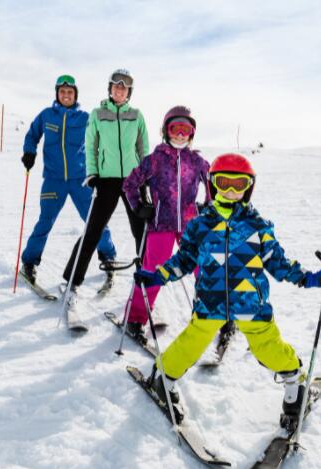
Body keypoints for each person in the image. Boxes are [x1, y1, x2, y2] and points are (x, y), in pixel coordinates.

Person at [133, 153, 321, 428]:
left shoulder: (259, 227)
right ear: (214, 185)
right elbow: (183, 261)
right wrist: (157, 276)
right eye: (224, 183)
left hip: (251, 305)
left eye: (238, 184)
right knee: (190, 345)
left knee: (270, 349)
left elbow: (279, 264)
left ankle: (295, 386)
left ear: (248, 188)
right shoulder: (199, 225)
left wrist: (311, 278)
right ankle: (163, 379)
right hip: (210, 302)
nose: (230, 190)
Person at [61, 69, 149, 304]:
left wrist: (146, 176)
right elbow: (90, 146)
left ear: (129, 91)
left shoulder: (137, 116)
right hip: (107, 180)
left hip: (133, 181)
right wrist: (93, 174)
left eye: (124, 87)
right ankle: (72, 281)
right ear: (110, 89)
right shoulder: (98, 114)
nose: (120, 90)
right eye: (116, 86)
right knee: (93, 231)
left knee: (143, 233)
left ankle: (147, 286)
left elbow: (143, 148)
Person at [121, 106, 209, 338]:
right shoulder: (155, 160)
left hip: (190, 225)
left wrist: (208, 205)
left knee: (204, 266)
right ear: (165, 130)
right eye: (175, 128)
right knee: (153, 269)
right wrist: (139, 206)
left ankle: (211, 311)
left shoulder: (197, 161)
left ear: (192, 134)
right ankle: (136, 317)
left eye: (186, 129)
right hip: (161, 224)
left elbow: (214, 184)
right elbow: (129, 183)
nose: (180, 134)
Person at [19, 74, 116, 285]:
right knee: (45, 221)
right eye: (62, 92)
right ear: (57, 94)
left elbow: (101, 141)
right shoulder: (46, 115)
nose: (66, 95)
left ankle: (108, 256)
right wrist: (29, 152)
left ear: (75, 95)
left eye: (69, 92)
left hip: (81, 180)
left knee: (95, 220)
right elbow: (32, 135)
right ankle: (29, 262)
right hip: (53, 179)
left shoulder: (85, 118)